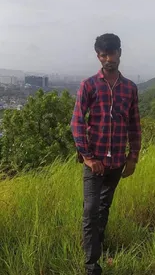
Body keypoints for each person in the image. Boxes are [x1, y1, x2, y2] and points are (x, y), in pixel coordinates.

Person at [70, 33, 141, 275]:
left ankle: (96, 248)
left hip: (117, 161)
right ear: (98, 56)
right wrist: (88, 158)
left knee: (103, 207)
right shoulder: (88, 85)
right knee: (90, 209)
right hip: (94, 161)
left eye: (111, 53)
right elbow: (77, 122)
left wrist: (133, 157)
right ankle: (92, 266)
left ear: (119, 52)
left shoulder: (130, 88)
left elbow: (134, 124)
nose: (107, 59)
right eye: (102, 55)